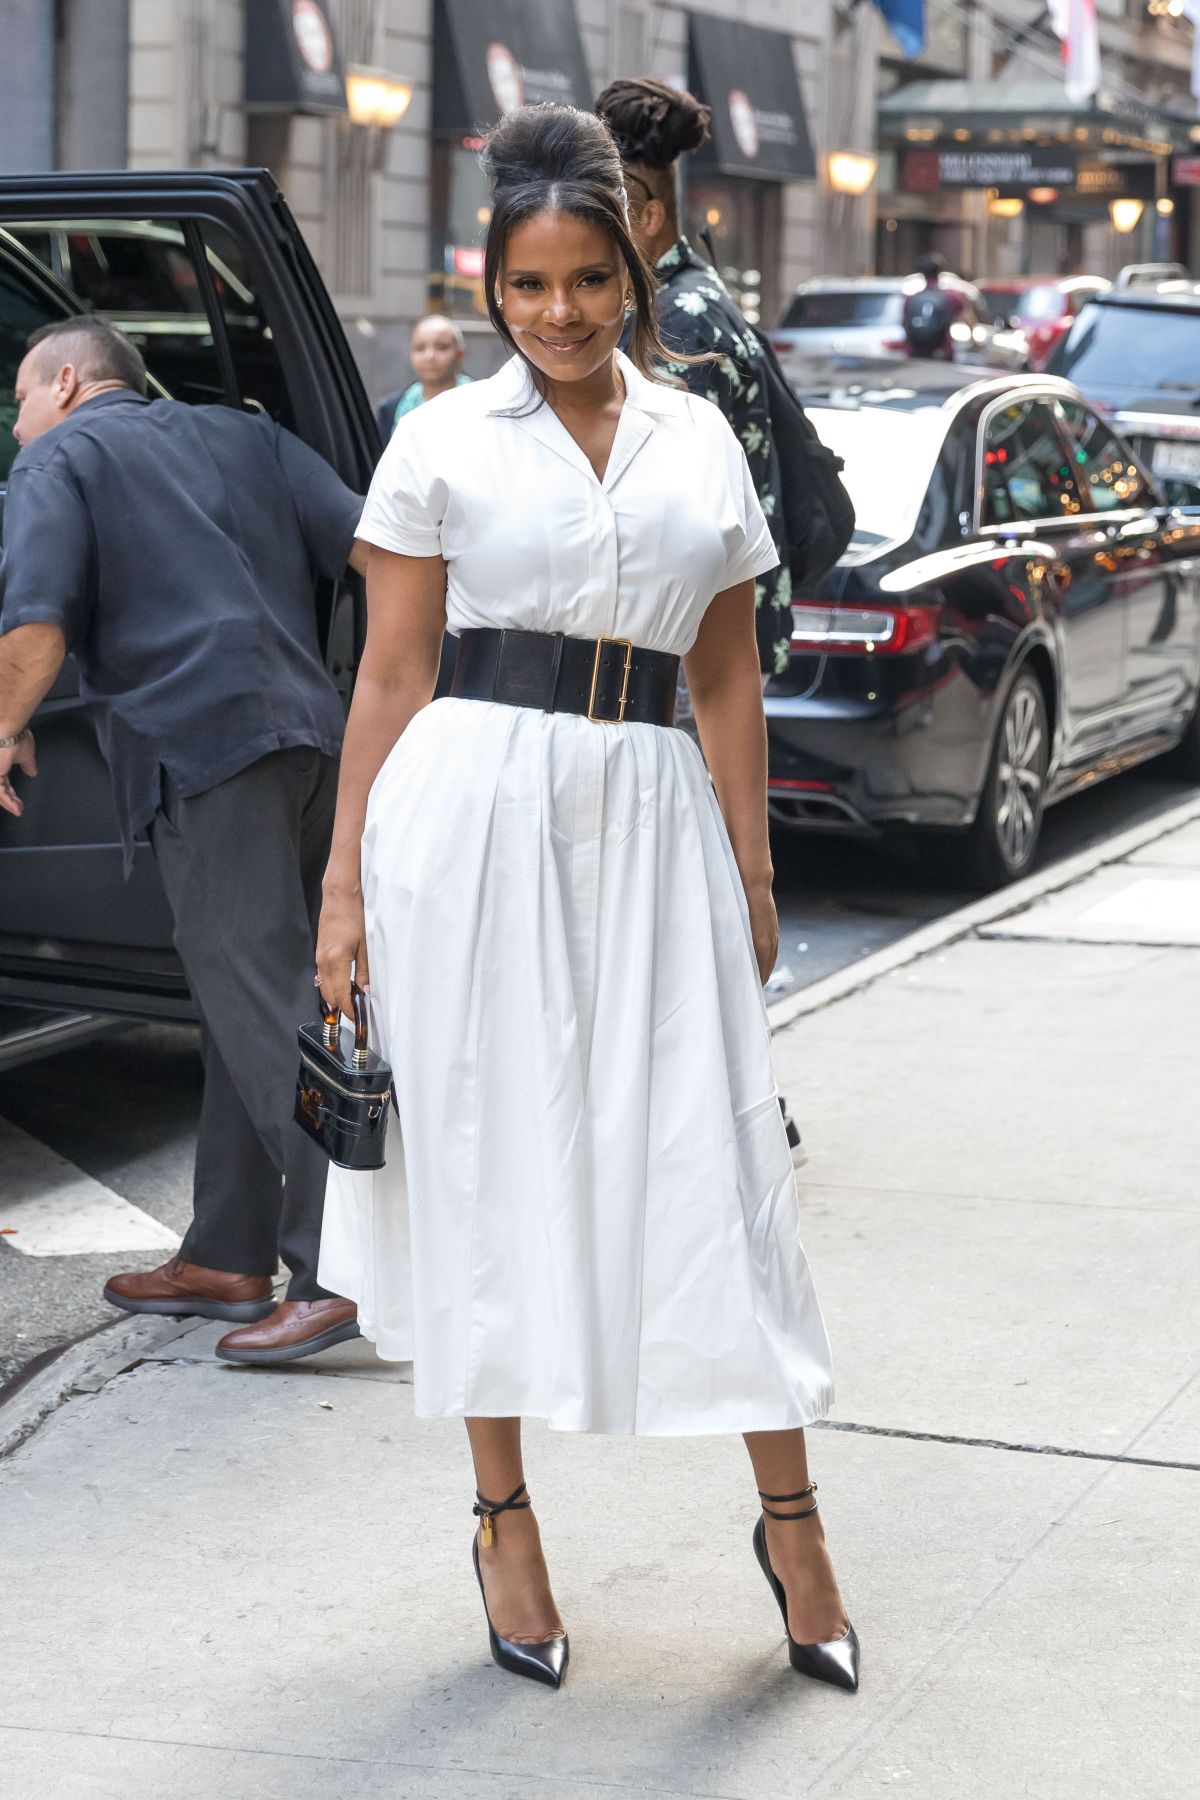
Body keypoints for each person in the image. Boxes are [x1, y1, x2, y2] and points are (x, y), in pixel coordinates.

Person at [314, 103, 857, 1694]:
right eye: (528, 286)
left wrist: (753, 862)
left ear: (636, 267)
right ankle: (503, 1517)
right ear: (494, 286)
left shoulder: (698, 435)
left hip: (651, 819)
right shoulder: (441, 438)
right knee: (482, 1160)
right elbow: (391, 677)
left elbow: (732, 674)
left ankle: (795, 1519)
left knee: (713, 1165)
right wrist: (343, 886)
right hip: (468, 820)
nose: (557, 314)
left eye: (588, 282)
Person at [0, 315, 367, 1366]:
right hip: (310, 740)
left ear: (66, 382)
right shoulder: (247, 437)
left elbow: (32, 624)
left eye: (20, 402)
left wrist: (3, 726)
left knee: (266, 1012)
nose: (19, 426)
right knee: (242, 1002)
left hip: (208, 757)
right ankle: (227, 1254)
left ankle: (345, 1270)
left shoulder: (61, 455)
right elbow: (375, 546)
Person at [596, 76, 805, 1166]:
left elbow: (671, 520)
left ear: (645, 208)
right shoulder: (695, 297)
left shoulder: (670, 324)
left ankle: (731, 1110)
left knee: (695, 897)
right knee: (695, 895)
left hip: (683, 654)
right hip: (705, 642)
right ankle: (733, 1101)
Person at [374, 315, 472, 442]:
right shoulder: (391, 409)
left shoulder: (483, 402)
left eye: (441, 347)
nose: (429, 356)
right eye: (420, 348)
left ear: (460, 354)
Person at [901, 253, 963, 360]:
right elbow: (967, 319)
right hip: (942, 350)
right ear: (940, 273)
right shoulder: (952, 297)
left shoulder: (911, 298)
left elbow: (903, 321)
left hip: (915, 351)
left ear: (922, 274)